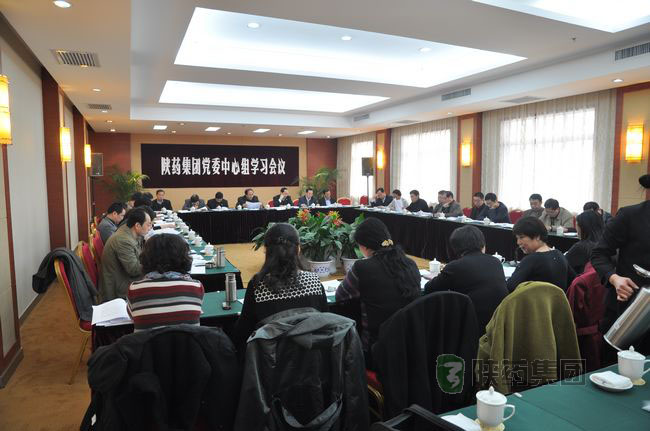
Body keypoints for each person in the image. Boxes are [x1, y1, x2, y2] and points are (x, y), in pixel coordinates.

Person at [336, 217, 420, 364]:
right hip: (411, 346)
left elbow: (340, 296)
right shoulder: (410, 264)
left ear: (365, 246)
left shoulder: (362, 267)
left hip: (376, 351)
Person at [232, 223, 328, 349]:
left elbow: (243, 331)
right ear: (298, 249)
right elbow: (325, 322)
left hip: (270, 358)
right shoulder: (314, 282)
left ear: (266, 250)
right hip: (311, 356)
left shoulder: (258, 286)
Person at [592, 174, 650, 356]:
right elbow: (599, 253)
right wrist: (614, 278)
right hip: (627, 308)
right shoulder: (630, 215)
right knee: (617, 364)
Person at [424, 226, 507, 334]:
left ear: (455, 248)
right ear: (483, 244)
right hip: (498, 321)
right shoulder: (496, 262)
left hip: (470, 324)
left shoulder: (455, 266)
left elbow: (429, 288)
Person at [127, 233, 204, 331]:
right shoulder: (196, 286)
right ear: (184, 257)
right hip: (187, 341)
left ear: (146, 258)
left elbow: (133, 317)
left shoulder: (134, 289)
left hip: (149, 341)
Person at [507, 217, 576, 292]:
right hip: (558, 299)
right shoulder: (559, 255)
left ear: (537, 236)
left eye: (521, 237)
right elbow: (574, 280)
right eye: (517, 238)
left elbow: (510, 287)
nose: (518, 242)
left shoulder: (531, 260)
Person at [99, 207, 152, 302]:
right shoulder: (123, 240)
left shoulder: (128, 231)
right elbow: (134, 270)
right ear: (137, 225)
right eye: (148, 224)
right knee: (158, 283)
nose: (150, 228)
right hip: (118, 287)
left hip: (122, 276)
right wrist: (154, 262)